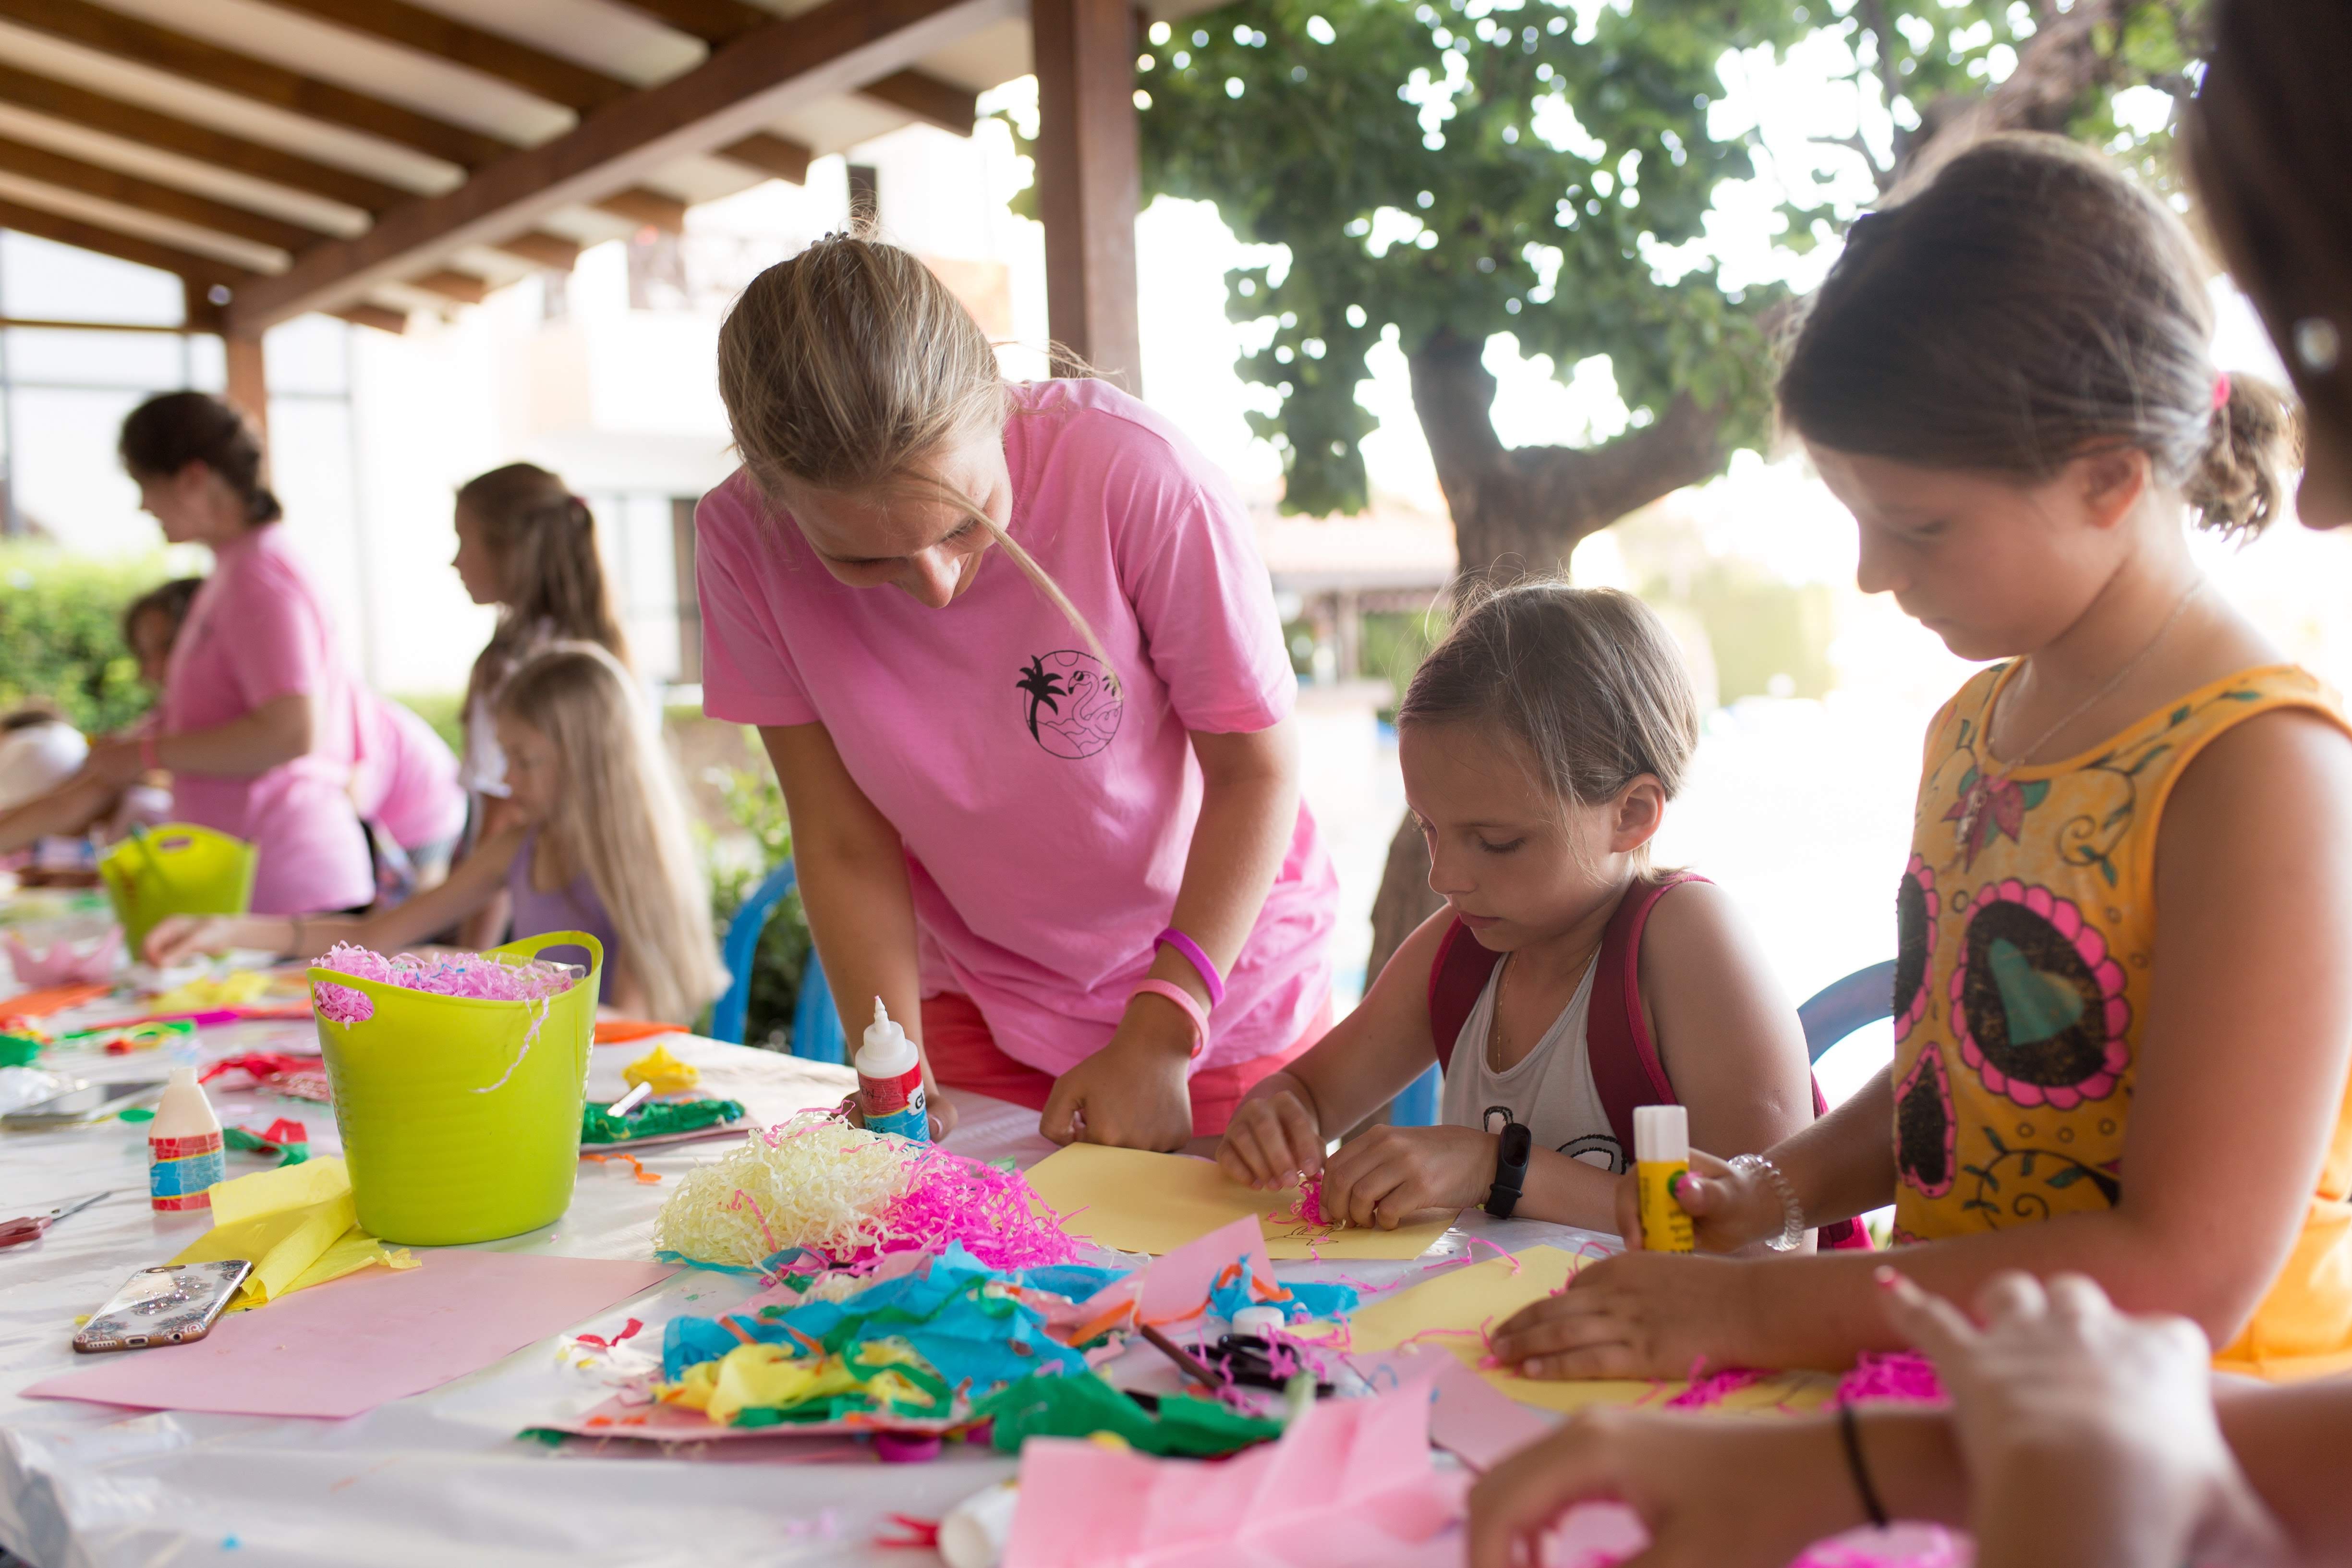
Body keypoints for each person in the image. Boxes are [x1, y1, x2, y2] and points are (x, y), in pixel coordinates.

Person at [1486, 133, 2352, 1387]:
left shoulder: (2258, 772)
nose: (1875, 575)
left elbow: (2187, 1270)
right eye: (1857, 516)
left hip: (2200, 1449)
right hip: (1980, 1397)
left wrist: (1753, 1317)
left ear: (2108, 476)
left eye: (1920, 526)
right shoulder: (1978, 724)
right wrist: (1776, 1190)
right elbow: (1966, 1067)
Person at [694, 232, 1336, 1148]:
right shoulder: (737, 542)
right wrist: (894, 1071)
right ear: (771, 497)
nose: (936, 585)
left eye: (965, 524)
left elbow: (1255, 773)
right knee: (974, 1277)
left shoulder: (1134, 473)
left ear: (995, 407)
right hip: (983, 994)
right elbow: (842, 839)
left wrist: (1163, 1031)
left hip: (1216, 980)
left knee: (1230, 1281)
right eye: (863, 556)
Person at [1214, 583, 1821, 1235]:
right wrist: (1278, 1121)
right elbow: (1307, 1094)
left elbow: (1768, 1237)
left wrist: (1498, 1170)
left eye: (1496, 842)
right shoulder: (1459, 953)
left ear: (1631, 814)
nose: (1444, 876)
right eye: (1429, 829)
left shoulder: (1685, 944)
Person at [148, 643, 725, 1024]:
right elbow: (377, 936)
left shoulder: (635, 860)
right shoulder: (520, 846)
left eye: (525, 759)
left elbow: (633, 1028)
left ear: (588, 760)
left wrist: (488, 982)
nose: (507, 778)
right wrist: (229, 929)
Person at [65, 394, 380, 915]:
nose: (144, 506)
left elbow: (290, 732)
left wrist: (148, 754)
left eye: (146, 486)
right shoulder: (236, 570)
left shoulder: (259, 578)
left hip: (289, 886)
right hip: (256, 878)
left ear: (192, 477)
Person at [446, 462, 632, 947]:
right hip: (610, 898)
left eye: (465, 541)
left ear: (511, 551)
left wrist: (470, 961)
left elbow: (503, 815)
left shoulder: (511, 670)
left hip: (522, 915)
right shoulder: (605, 651)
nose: (455, 562)